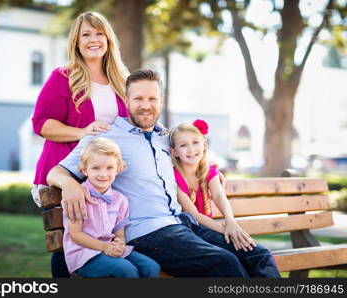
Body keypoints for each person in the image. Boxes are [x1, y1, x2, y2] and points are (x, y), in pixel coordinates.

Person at [48, 69, 281, 277]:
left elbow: (192, 156)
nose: (145, 105)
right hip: (146, 232)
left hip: (184, 222)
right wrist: (69, 185)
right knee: (222, 263)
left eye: (152, 99)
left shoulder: (165, 138)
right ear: (126, 100)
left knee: (256, 254)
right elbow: (55, 173)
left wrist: (211, 172)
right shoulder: (105, 137)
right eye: (138, 98)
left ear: (161, 101)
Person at [31, 11, 130, 277]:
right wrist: (83, 131)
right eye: (86, 34)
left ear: (109, 39)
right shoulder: (64, 76)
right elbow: (41, 124)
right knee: (67, 242)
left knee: (101, 240)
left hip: (102, 176)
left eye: (99, 33)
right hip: (62, 173)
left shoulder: (122, 80)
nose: (93, 40)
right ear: (76, 42)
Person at [63, 137, 160, 278]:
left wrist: (119, 243)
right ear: (84, 170)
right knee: (126, 270)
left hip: (109, 248)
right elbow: (76, 234)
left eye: (109, 168)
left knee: (151, 267)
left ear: (118, 169)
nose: (103, 174)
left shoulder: (120, 200)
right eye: (96, 168)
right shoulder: (78, 197)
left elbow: (119, 233)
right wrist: (105, 247)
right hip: (84, 254)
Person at [169, 120, 256, 251]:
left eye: (195, 142)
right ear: (174, 151)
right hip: (191, 233)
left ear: (204, 144)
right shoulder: (174, 178)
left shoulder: (209, 172)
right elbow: (194, 215)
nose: (191, 149)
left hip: (211, 229)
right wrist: (229, 230)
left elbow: (219, 196)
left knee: (256, 253)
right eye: (183, 145)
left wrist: (231, 221)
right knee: (242, 251)